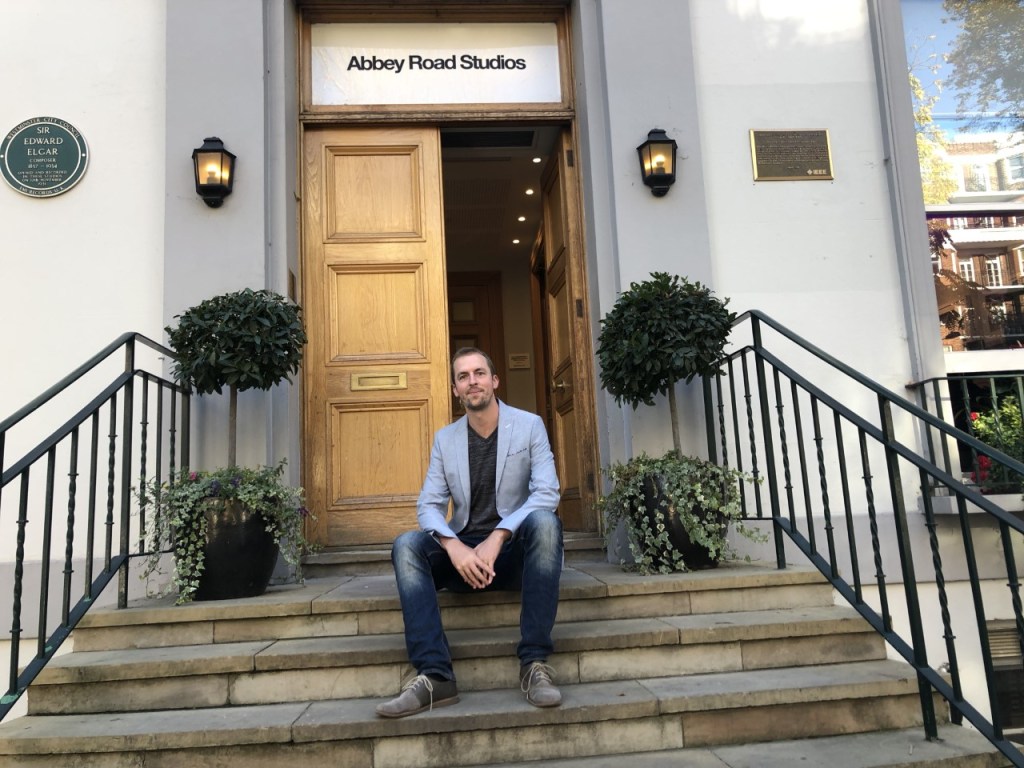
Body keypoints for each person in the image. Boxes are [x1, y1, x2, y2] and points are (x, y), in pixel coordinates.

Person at [375, 347, 563, 719]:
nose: (472, 381)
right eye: (463, 376)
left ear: (495, 381)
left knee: (545, 522)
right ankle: (435, 675)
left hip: (512, 556)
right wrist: (453, 545)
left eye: (479, 373)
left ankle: (534, 663)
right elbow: (428, 505)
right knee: (406, 545)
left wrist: (499, 535)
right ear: (455, 390)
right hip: (463, 559)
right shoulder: (445, 439)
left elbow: (547, 493)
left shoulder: (529, 425)